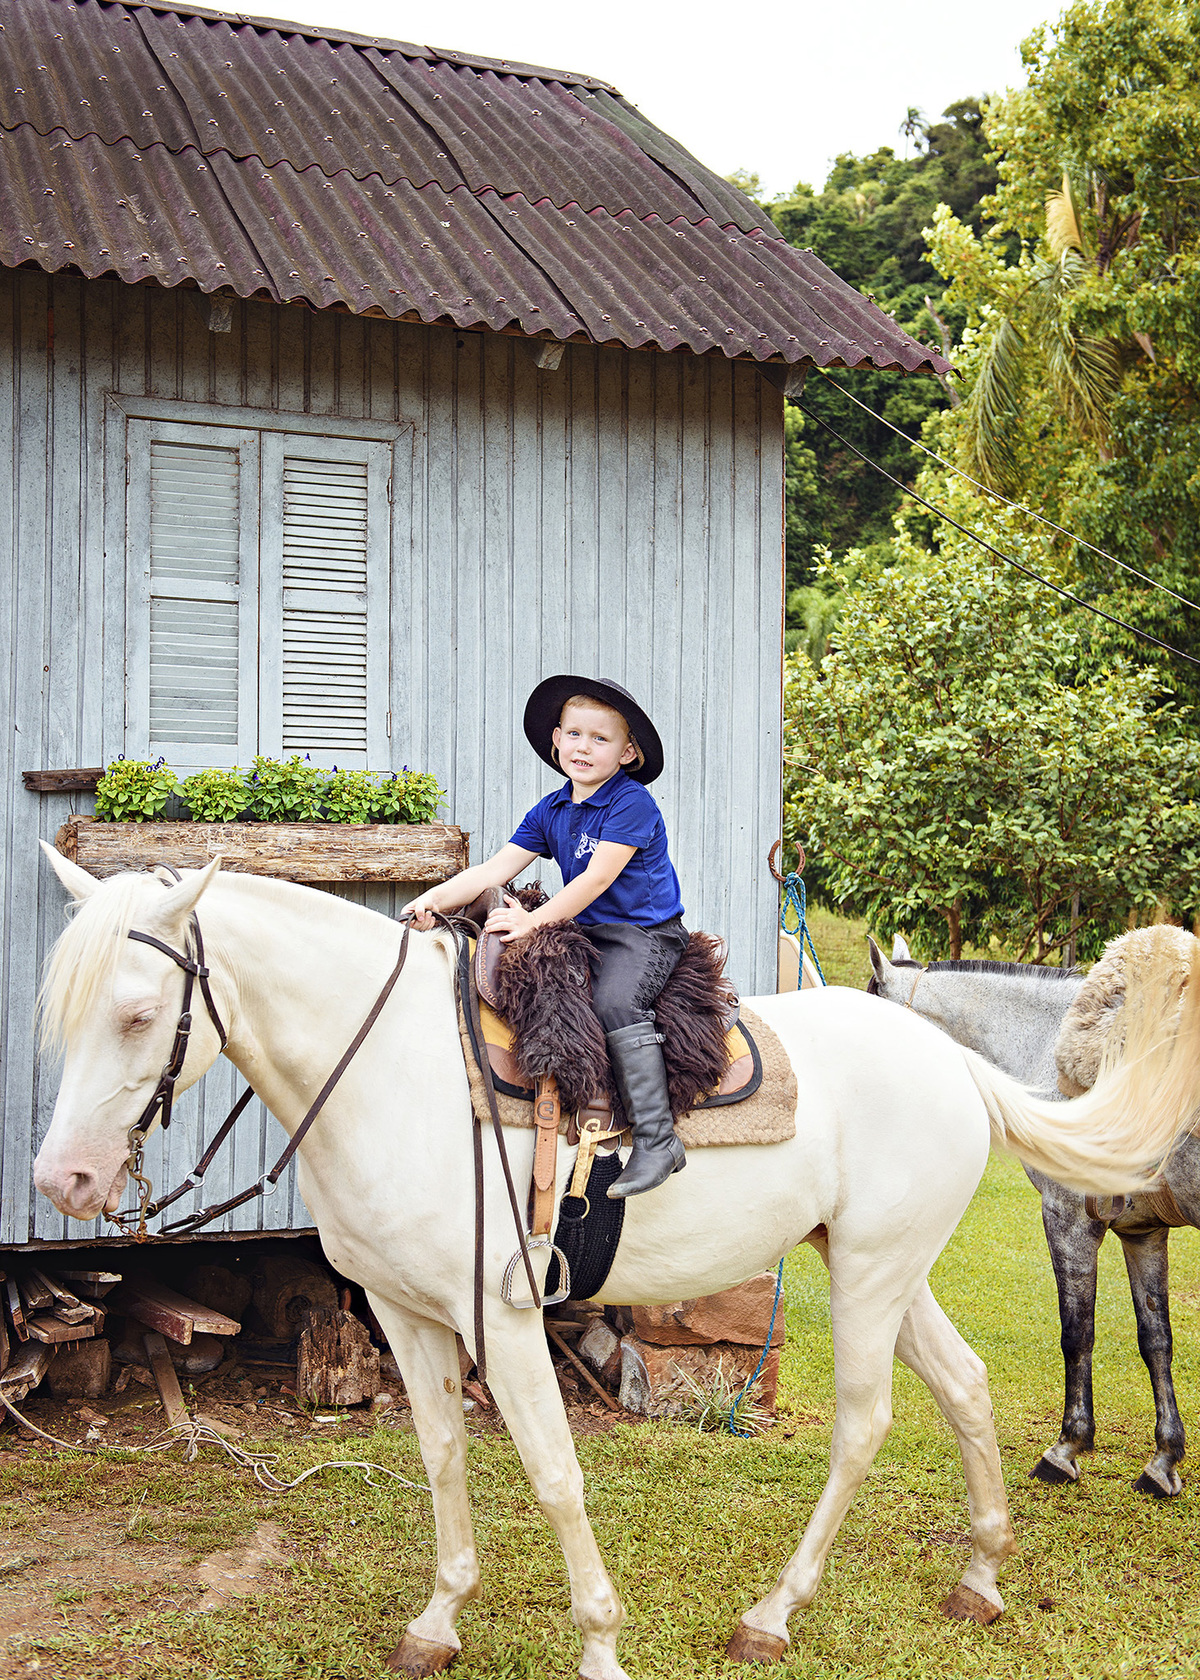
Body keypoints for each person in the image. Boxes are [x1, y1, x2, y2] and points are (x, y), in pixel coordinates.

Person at [408, 675, 688, 1198]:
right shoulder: (552, 809)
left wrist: (533, 921)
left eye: (601, 739)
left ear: (627, 753)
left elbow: (597, 878)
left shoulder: (632, 803)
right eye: (575, 734)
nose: (584, 747)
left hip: (642, 933)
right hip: (585, 930)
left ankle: (657, 1139)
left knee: (613, 1003)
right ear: (556, 739)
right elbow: (494, 868)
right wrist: (433, 899)